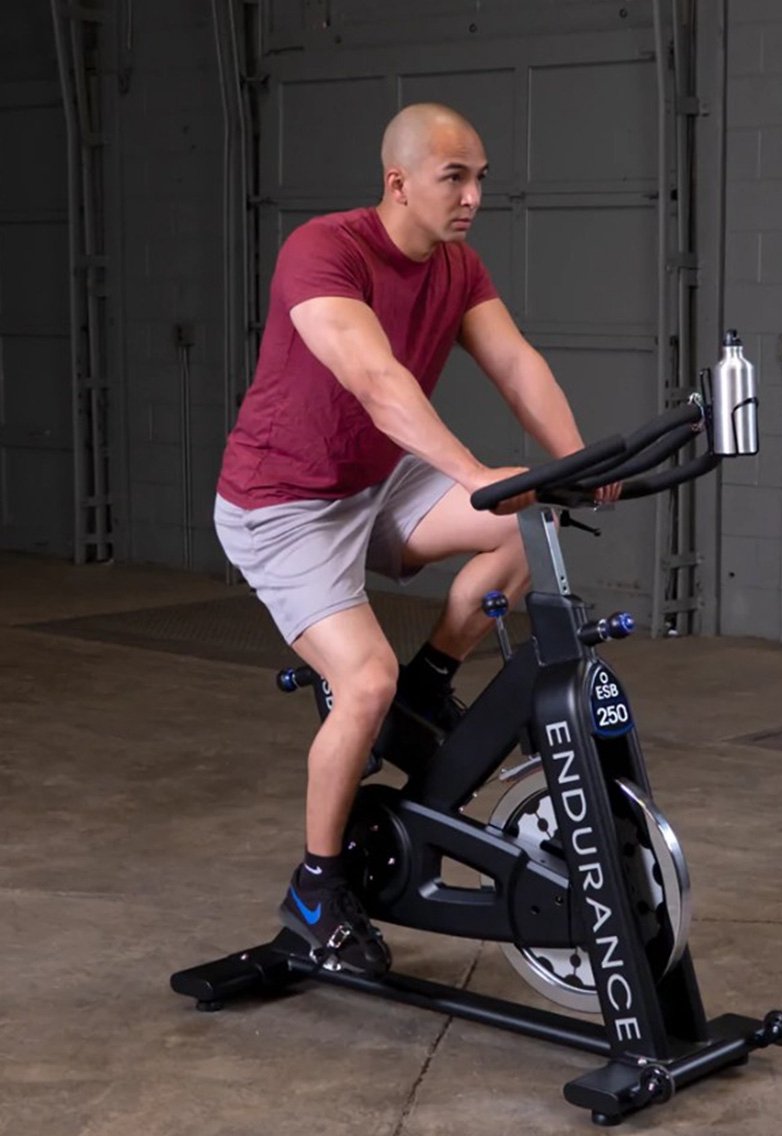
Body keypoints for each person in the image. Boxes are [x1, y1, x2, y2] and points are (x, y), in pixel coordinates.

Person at [213, 102, 617, 977]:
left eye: (480, 180)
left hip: (378, 483)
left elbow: (516, 364)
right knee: (364, 682)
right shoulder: (326, 251)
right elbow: (376, 380)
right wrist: (470, 472)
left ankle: (431, 683)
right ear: (398, 182)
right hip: (283, 504)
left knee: (534, 513)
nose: (473, 198)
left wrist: (576, 462)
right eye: (454, 179)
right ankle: (316, 892)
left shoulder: (457, 268)